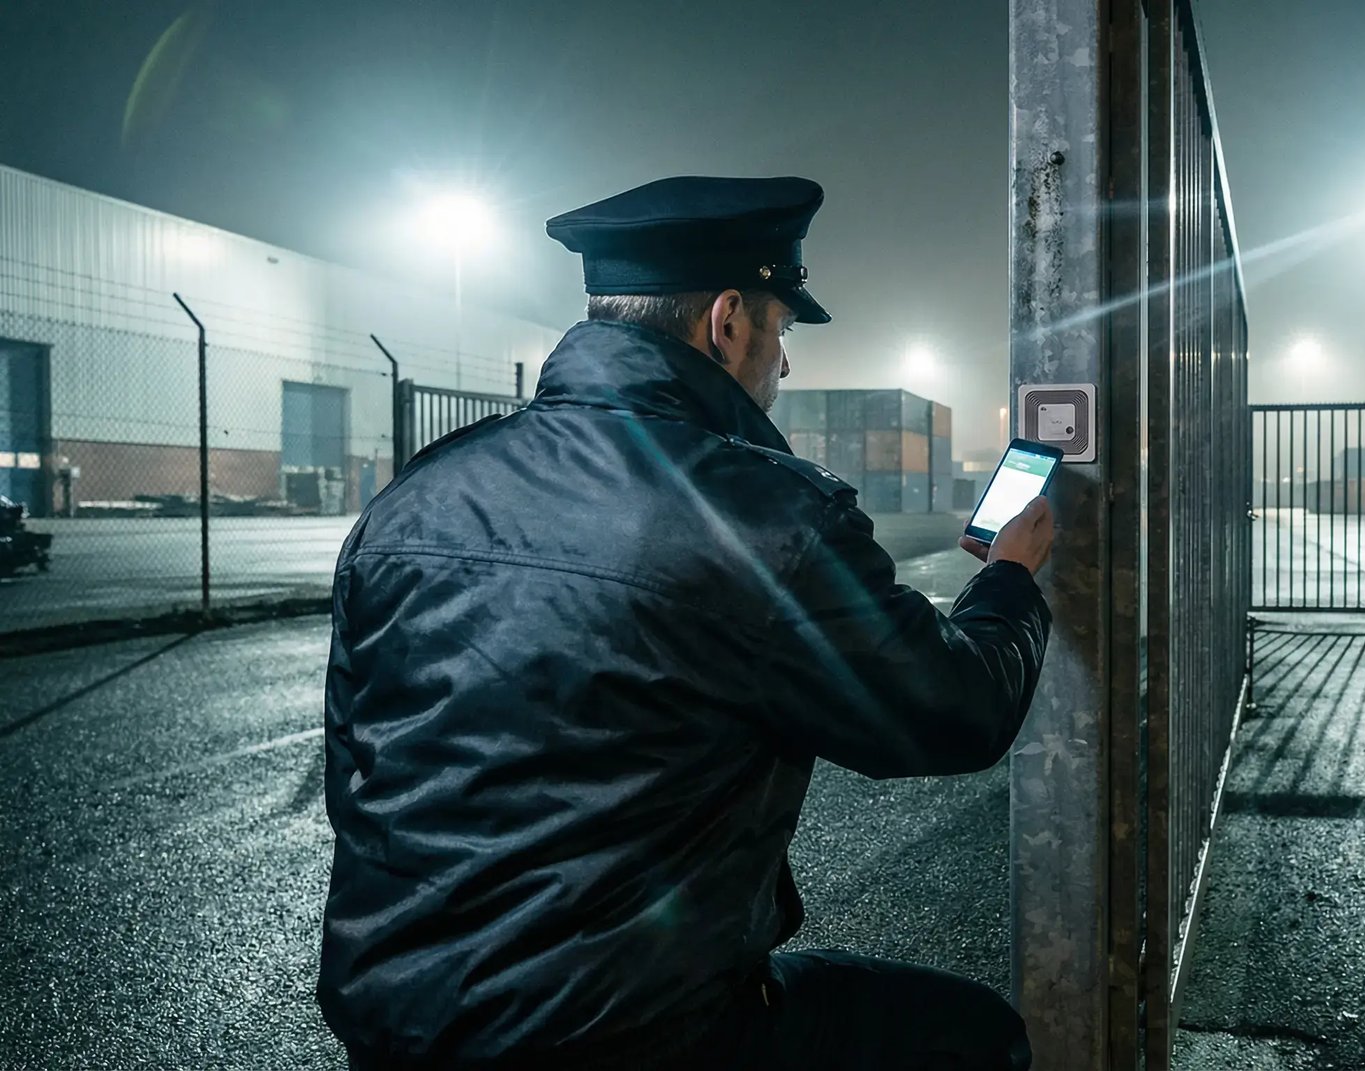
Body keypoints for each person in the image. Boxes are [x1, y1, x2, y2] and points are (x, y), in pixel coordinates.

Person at [317, 175, 1056, 1070]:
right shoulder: (762, 514)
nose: (783, 363)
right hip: (636, 1037)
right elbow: (952, 708)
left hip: (398, 1030)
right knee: (981, 1039)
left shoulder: (412, 499)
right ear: (729, 319)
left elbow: (356, 769)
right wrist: (1010, 579)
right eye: (781, 331)